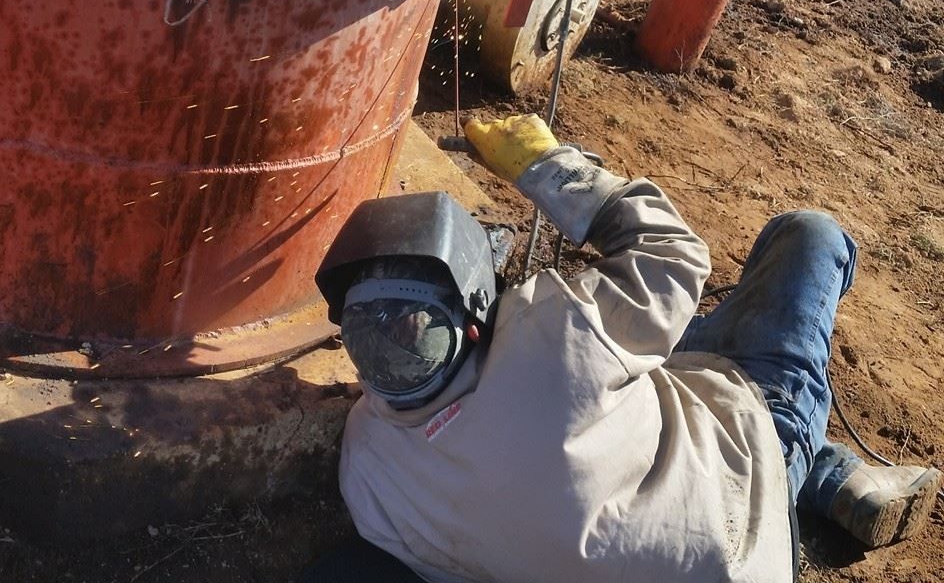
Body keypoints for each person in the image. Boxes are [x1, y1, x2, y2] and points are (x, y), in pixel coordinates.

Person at [311, 115, 941, 583]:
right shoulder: (559, 336)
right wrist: (549, 163)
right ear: (475, 321)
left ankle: (834, 481)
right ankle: (812, 466)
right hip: (748, 522)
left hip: (656, 534)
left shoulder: (366, 468)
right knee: (809, 237)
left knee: (641, 364)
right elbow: (678, 253)